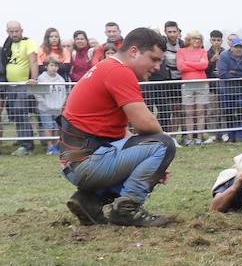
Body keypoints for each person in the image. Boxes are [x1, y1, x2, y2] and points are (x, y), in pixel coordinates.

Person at [57, 28, 177, 227]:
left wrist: (153, 164)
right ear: (134, 51)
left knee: (153, 149)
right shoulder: (119, 72)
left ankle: (89, 201)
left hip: (75, 160)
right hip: (87, 162)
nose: (156, 67)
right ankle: (127, 209)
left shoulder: (107, 67)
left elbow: (124, 136)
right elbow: (144, 123)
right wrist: (163, 153)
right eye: (153, 59)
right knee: (164, 144)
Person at [4, 21, 41, 154]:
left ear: (21, 30)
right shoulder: (7, 45)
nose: (14, 34)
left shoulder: (28, 42)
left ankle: (27, 145)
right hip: (9, 86)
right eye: (11, 31)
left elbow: (33, 60)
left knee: (21, 111)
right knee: (15, 113)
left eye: (16, 31)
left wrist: (34, 78)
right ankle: (24, 140)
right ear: (7, 32)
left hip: (24, 84)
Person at [176, 31, 211, 144]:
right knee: (189, 113)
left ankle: (199, 138)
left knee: (200, 112)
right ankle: (189, 138)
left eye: (199, 39)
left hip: (202, 84)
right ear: (189, 40)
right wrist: (197, 64)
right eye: (194, 38)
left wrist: (188, 63)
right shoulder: (181, 52)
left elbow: (204, 65)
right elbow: (180, 66)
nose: (197, 41)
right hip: (187, 85)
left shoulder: (203, 51)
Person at [35, 57, 67, 153]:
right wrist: (44, 104)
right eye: (52, 65)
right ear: (46, 66)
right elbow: (38, 94)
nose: (54, 68)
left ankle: (56, 145)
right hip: (45, 108)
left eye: (56, 66)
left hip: (57, 108)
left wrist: (61, 105)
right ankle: (50, 146)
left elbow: (63, 93)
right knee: (48, 126)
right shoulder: (41, 79)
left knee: (57, 127)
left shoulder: (61, 79)